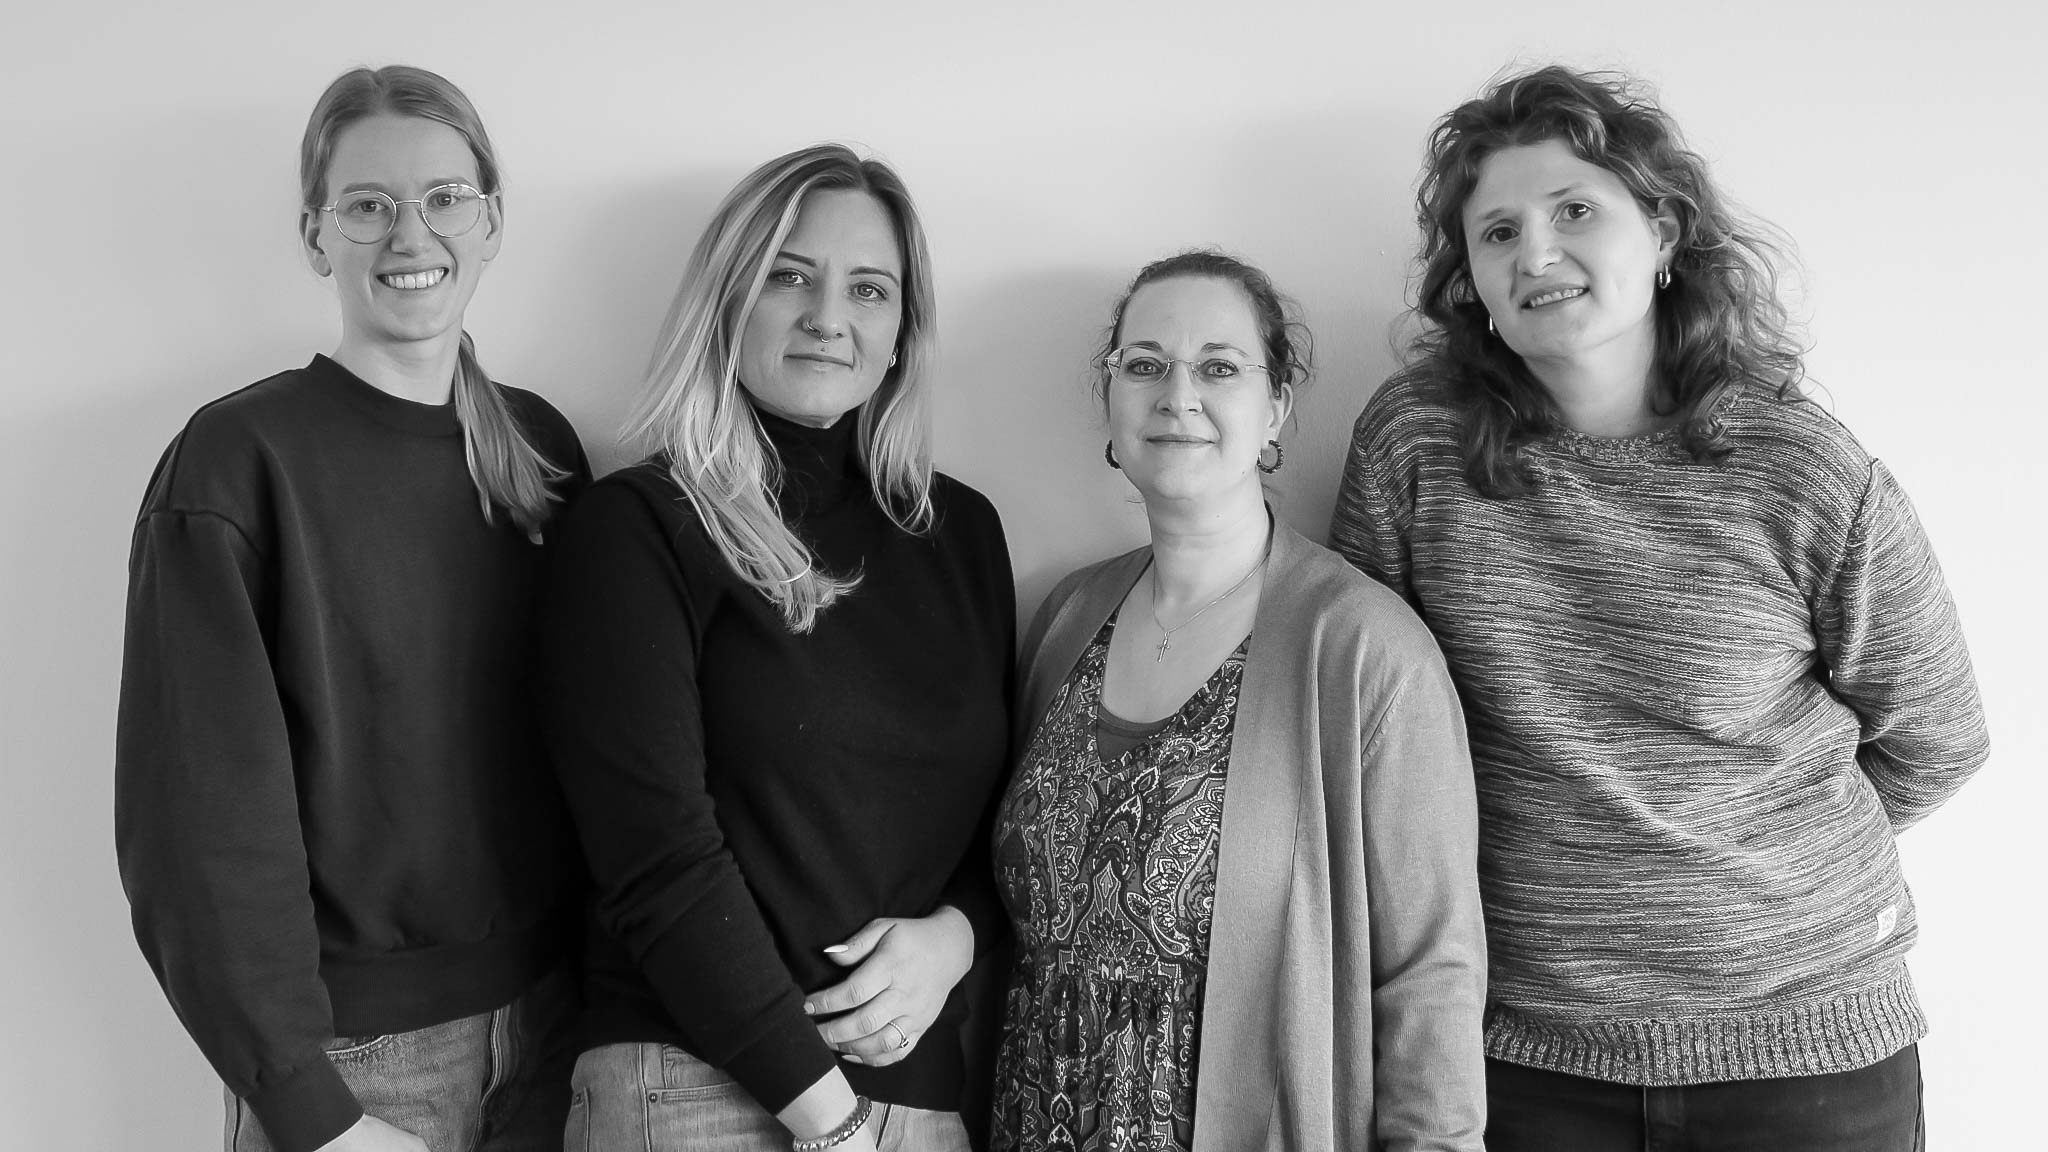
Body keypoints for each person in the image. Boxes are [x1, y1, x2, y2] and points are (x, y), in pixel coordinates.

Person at [1330, 65, 1990, 1152]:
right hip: (1521, 1056)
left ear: (1664, 233)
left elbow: (1938, 737)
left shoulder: (1800, 470)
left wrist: (1745, 867)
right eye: (1497, 232)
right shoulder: (1415, 449)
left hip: (1806, 1056)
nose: (1535, 253)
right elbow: (1370, 729)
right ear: (1471, 280)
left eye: (1574, 211)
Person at [116, 65, 589, 1152]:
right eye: (368, 205)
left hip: (553, 1030)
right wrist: (309, 1109)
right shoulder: (237, 463)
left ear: (491, 221)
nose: (411, 234)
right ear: (315, 235)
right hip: (356, 1061)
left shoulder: (540, 451)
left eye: (445, 198)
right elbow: (194, 822)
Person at [535, 144, 1013, 1152]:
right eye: (788, 276)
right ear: (727, 299)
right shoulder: (640, 527)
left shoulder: (961, 534)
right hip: (689, 1090)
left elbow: (998, 827)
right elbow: (655, 861)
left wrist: (955, 939)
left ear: (903, 331)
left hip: (918, 1104)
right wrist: (830, 1121)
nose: (827, 316)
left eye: (868, 288)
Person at [994, 251, 1487, 1152]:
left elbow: (1432, 970)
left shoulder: (1364, 648)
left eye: (1219, 367)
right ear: (1112, 400)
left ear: (1275, 410)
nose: (1177, 395)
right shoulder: (1066, 618)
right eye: (1145, 365)